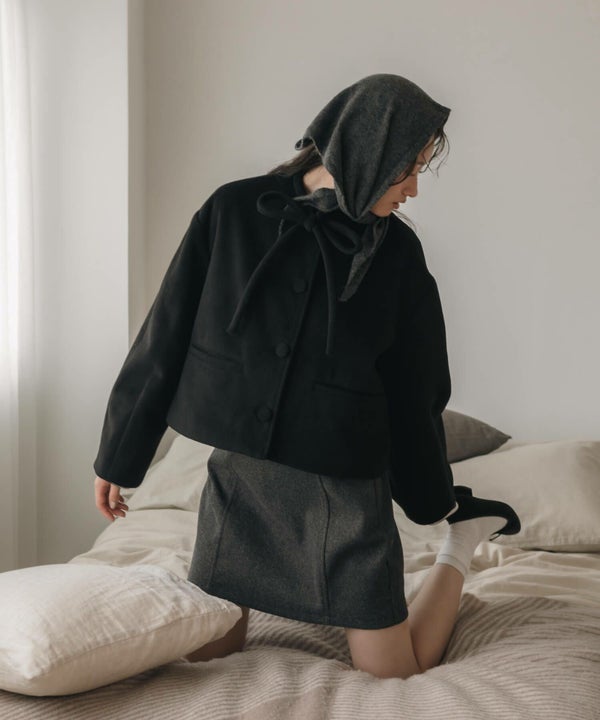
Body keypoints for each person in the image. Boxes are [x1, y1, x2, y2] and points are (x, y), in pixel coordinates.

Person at [93, 73, 520, 680]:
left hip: (345, 491)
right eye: (407, 169)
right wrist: (120, 454)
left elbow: (417, 391)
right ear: (367, 149)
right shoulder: (233, 211)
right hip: (242, 479)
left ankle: (461, 545)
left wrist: (434, 502)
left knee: (394, 673)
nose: (413, 189)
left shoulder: (397, 255)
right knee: (206, 657)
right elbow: (165, 332)